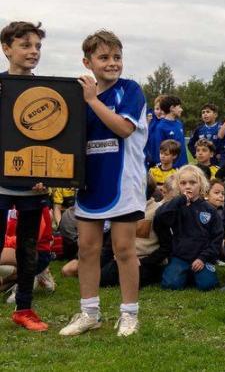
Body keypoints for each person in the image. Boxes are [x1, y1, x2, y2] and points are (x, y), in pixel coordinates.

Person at [61, 30, 148, 337]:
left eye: (117, 57)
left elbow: (123, 128)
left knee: (124, 249)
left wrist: (92, 100)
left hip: (124, 182)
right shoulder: (80, 96)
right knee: (87, 248)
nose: (112, 63)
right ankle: (89, 312)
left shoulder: (131, 90)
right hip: (91, 181)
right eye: (104, 57)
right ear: (88, 62)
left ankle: (129, 314)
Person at [0, 21, 50, 331]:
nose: (33, 52)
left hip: (35, 183)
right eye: (26, 45)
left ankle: (25, 308)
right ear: (6, 49)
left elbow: (59, 138)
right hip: (0, 181)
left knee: (29, 247)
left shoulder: (50, 89)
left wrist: (51, 174)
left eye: (38, 47)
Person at [156, 165, 224, 291]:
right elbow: (160, 216)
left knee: (207, 285)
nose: (188, 186)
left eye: (192, 182)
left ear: (201, 185)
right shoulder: (175, 206)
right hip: (180, 256)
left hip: (202, 258)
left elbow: (217, 238)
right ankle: (183, 273)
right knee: (170, 285)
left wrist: (203, 258)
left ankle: (195, 274)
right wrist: (180, 199)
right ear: (178, 186)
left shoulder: (209, 210)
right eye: (183, 183)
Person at [100, 175, 164, 288]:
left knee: (133, 281)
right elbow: (111, 242)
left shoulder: (158, 212)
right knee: (102, 279)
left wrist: (146, 261)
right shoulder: (124, 210)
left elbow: (165, 246)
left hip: (145, 261)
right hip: (122, 259)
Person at [150, 95, 187, 168]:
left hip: (183, 166)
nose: (181, 109)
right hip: (170, 169)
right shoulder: (160, 127)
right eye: (179, 107)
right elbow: (158, 149)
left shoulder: (179, 124)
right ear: (172, 108)